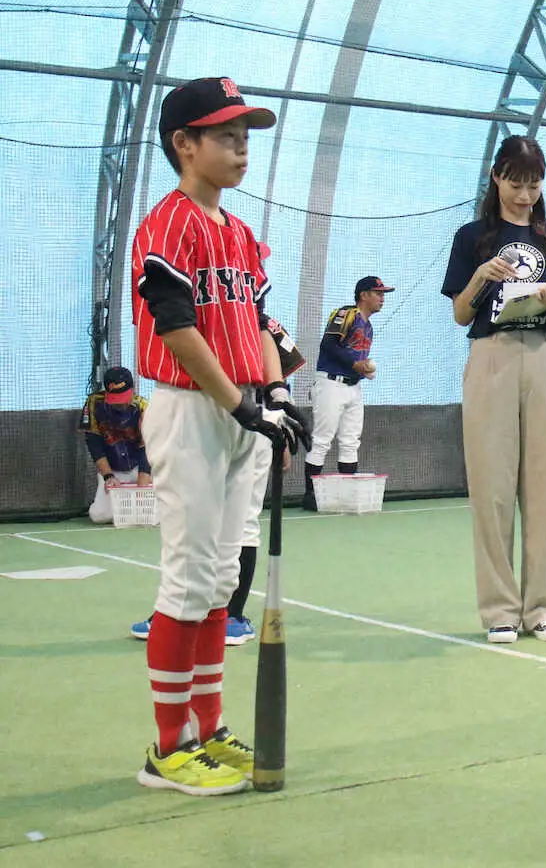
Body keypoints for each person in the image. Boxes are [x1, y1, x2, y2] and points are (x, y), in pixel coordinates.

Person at [131, 76, 309, 796]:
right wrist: (239, 404)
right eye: (226, 136)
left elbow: (261, 322)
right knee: (186, 578)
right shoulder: (169, 223)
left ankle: (208, 728)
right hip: (191, 409)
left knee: (218, 579)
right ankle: (168, 749)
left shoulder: (237, 233)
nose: (241, 148)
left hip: (241, 410)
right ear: (185, 143)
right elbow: (176, 327)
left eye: (245, 137)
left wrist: (275, 394)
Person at [441, 136, 546, 644]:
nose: (525, 195)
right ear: (497, 178)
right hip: (492, 357)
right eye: (516, 183)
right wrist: (481, 277)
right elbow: (461, 313)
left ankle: (544, 608)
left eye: (534, 184)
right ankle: (499, 611)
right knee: (492, 490)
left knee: (544, 488)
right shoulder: (472, 238)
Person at [130, 315, 306, 646]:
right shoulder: (201, 312)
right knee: (194, 519)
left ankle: (232, 615)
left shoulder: (257, 316)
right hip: (208, 407)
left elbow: (278, 368)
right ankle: (188, 608)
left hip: (254, 414)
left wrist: (279, 410)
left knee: (242, 520)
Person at [301, 275, 394, 511]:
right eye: (378, 293)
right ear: (363, 295)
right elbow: (329, 345)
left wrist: (365, 370)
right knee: (322, 440)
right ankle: (311, 495)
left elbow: (356, 357)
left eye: (383, 294)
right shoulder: (347, 314)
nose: (382, 298)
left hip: (353, 386)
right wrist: (355, 364)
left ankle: (347, 494)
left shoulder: (368, 326)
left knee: (351, 441)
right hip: (331, 384)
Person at [79, 365, 152, 523]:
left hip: (140, 469)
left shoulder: (143, 408)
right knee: (99, 516)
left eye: (123, 398)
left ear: (132, 390)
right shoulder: (94, 404)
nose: (120, 404)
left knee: (145, 513)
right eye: (115, 399)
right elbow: (94, 444)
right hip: (114, 471)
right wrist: (108, 476)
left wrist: (142, 490)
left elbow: (146, 450)